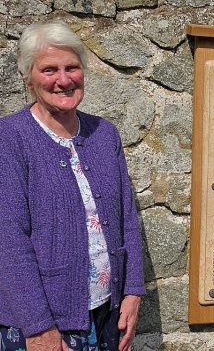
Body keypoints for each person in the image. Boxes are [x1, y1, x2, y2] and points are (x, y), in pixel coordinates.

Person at [0, 20, 145, 350]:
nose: (63, 80)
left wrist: (133, 291)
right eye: (49, 69)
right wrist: (39, 329)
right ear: (28, 78)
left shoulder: (104, 134)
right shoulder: (9, 138)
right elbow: (7, 240)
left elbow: (127, 220)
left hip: (108, 312)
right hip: (44, 321)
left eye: (72, 68)